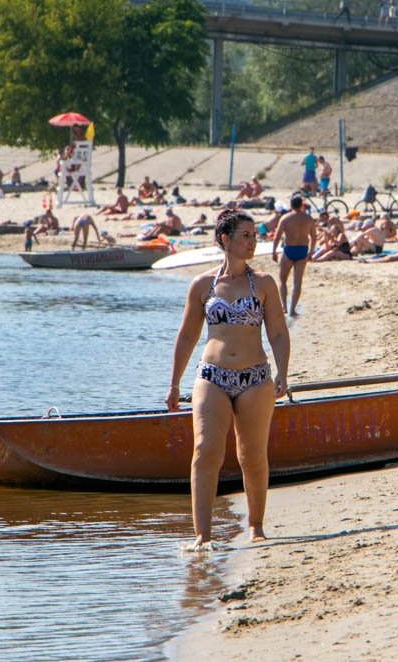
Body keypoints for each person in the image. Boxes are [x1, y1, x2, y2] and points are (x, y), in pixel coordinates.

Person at [166, 210, 289, 550]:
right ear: (225, 239)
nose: (253, 242)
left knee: (252, 455)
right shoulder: (203, 285)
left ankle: (256, 526)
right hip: (212, 375)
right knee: (204, 451)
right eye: (246, 235)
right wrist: (174, 383)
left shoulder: (263, 283)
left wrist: (283, 371)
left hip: (255, 377)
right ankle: (202, 537)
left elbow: (278, 332)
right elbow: (187, 335)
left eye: (254, 236)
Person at [272, 196, 317, 316]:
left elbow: (277, 236)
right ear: (302, 205)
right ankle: (292, 310)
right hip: (302, 250)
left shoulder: (285, 218)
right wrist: (311, 252)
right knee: (297, 282)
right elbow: (314, 237)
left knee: (282, 279)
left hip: (289, 250)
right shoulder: (309, 219)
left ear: (291, 205)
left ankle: (284, 307)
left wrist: (274, 251)